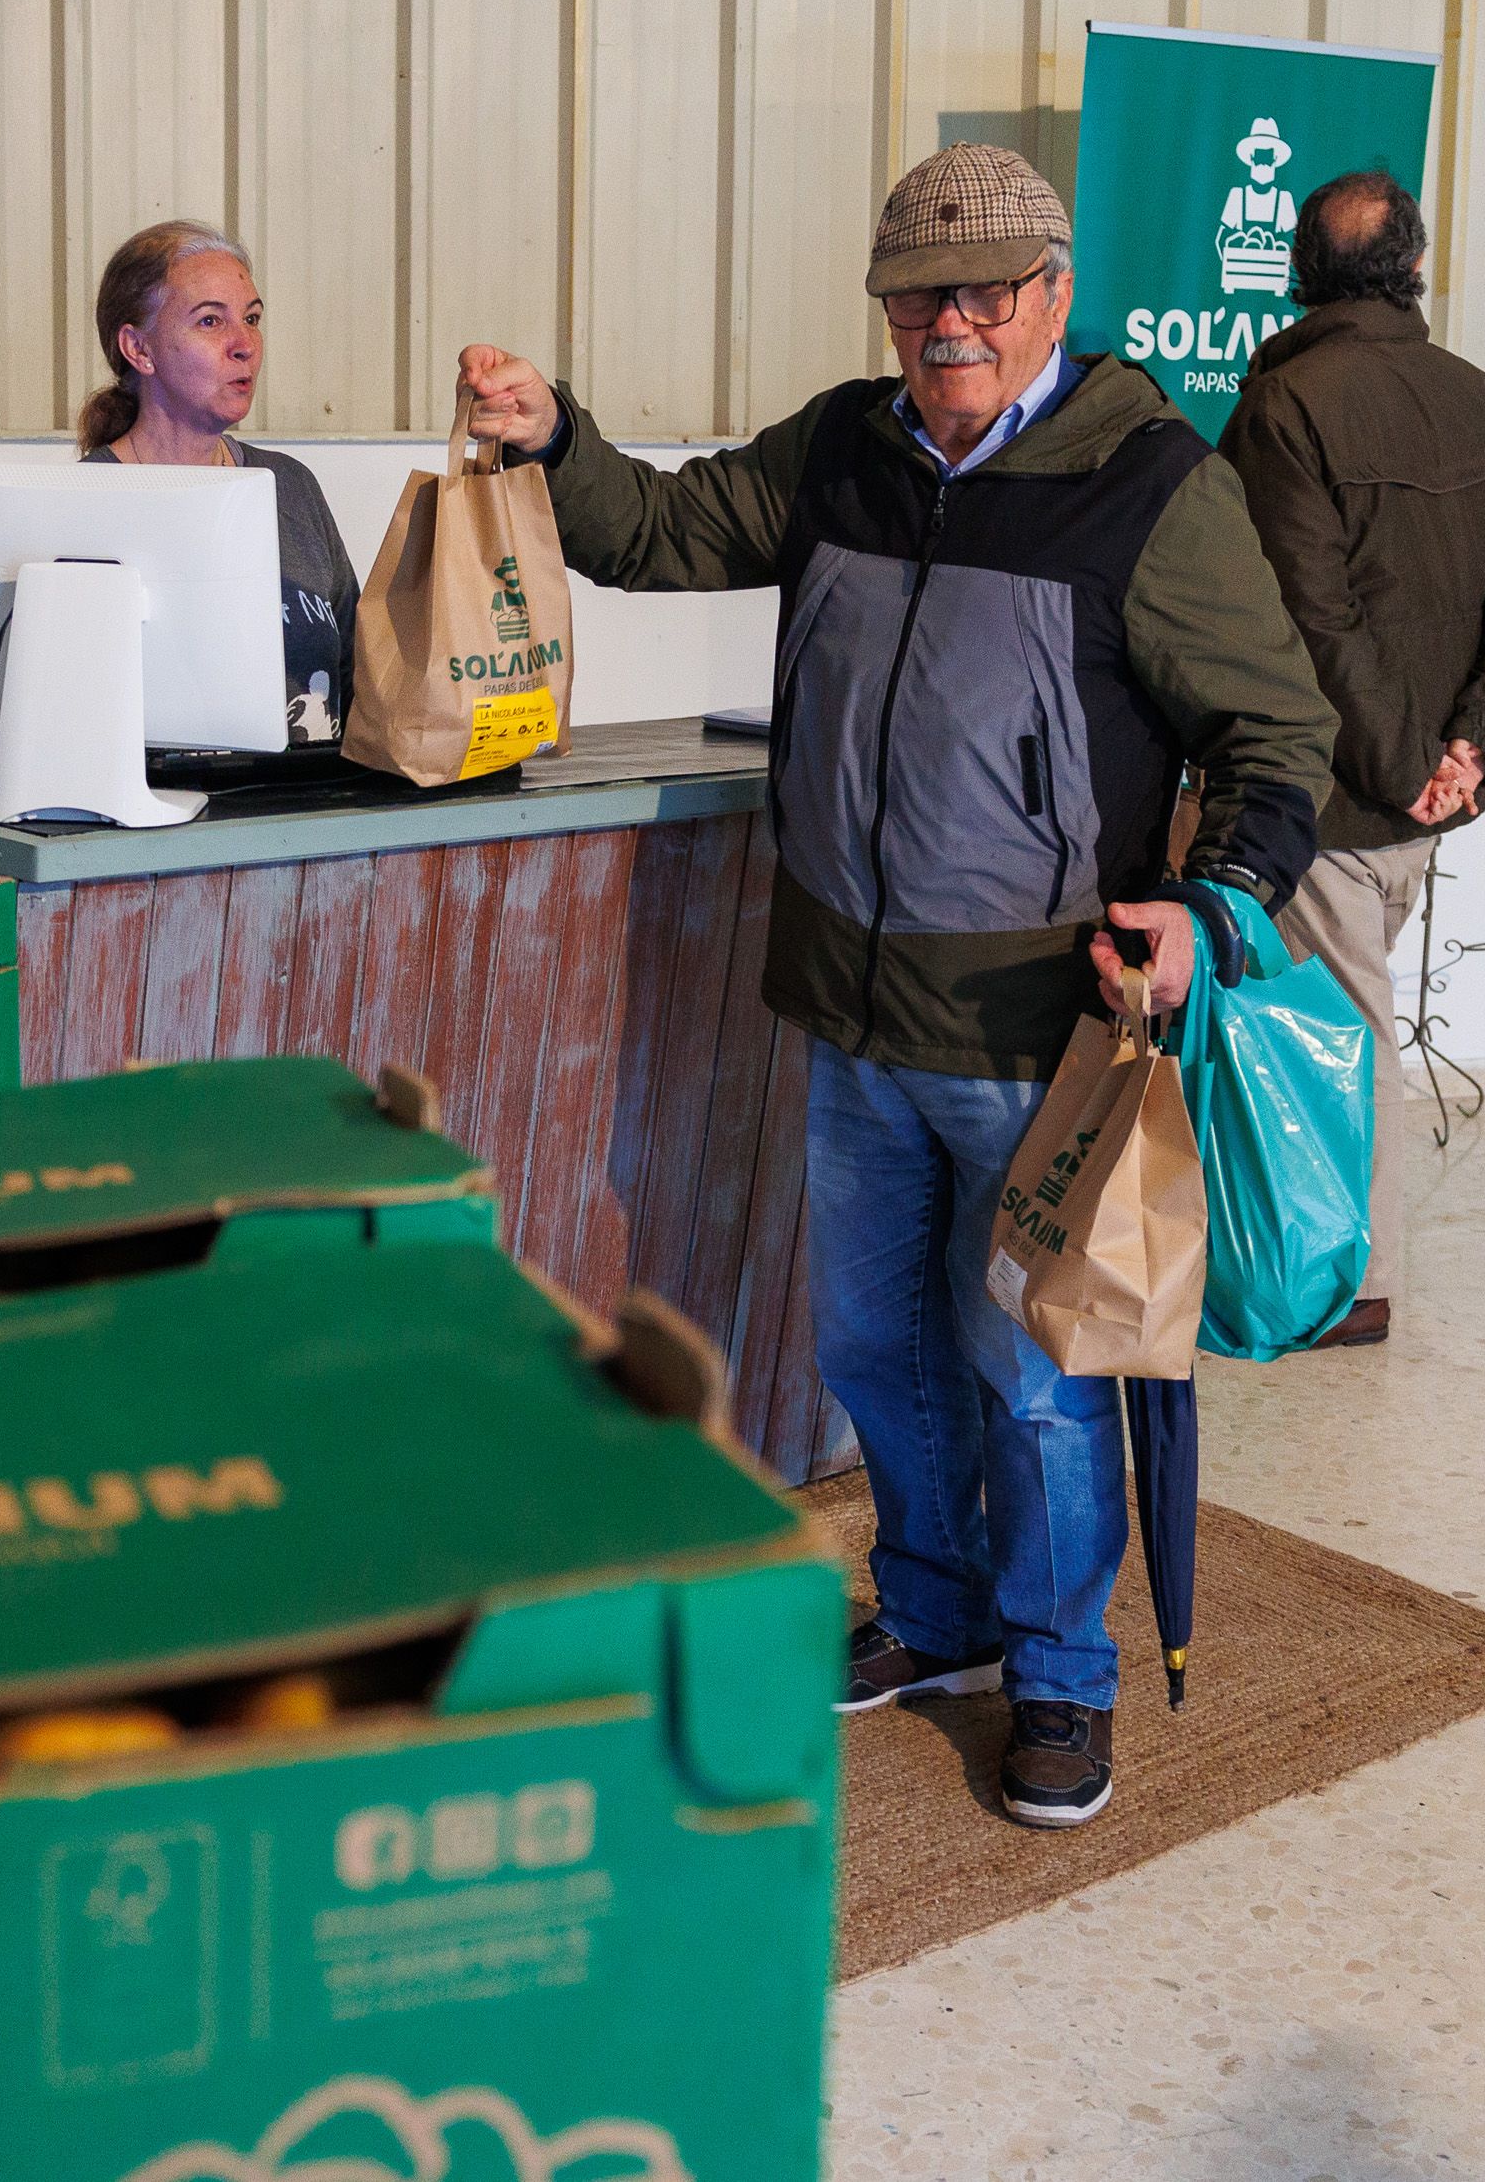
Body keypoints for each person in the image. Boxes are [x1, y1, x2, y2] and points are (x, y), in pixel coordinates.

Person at [458, 143, 1337, 1830]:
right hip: (853, 1019)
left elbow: (1276, 730)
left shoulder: (1151, 483)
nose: (948, 324)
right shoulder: (842, 449)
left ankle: (1063, 1677)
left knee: (1038, 1377)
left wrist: (1211, 908)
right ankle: (934, 1613)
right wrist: (555, 436)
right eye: (918, 295)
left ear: (1054, 295)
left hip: (1035, 1033)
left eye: (985, 292)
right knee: (878, 1349)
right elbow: (657, 525)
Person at [1218, 171, 1485, 1351]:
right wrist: (1471, 752)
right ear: (1414, 269)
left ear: (1299, 275)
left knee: (1344, 1045)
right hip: (1418, 810)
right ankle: (1308, 1261)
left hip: (1325, 802)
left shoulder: (1283, 411)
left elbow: (1304, 619)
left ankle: (1353, 1287)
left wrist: (1406, 762)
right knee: (1350, 1033)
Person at [80, 219, 360, 747]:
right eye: (210, 321)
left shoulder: (291, 487)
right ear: (139, 350)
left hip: (306, 814)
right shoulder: (89, 503)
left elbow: (359, 675)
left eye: (252, 319)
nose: (244, 345)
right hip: (167, 820)